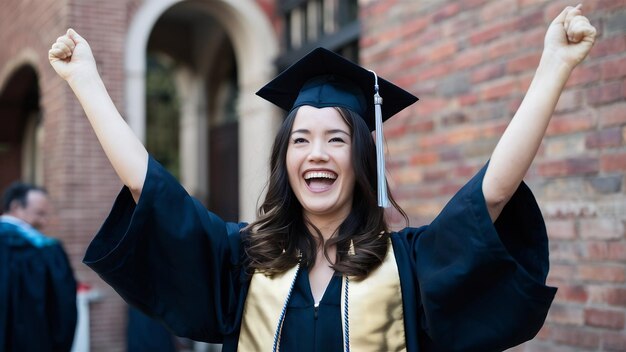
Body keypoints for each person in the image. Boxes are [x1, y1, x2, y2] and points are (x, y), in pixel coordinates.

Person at [48, 4, 596, 351]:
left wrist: (554, 68)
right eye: (301, 139)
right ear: (284, 159)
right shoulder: (245, 258)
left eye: (337, 139)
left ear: (361, 160)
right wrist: (87, 84)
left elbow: (492, 193)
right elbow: (154, 192)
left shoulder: (408, 263)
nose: (317, 153)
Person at [0, 182, 77, 352]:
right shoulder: (46, 251)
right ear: (16, 207)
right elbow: (63, 311)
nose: (44, 221)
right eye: (39, 214)